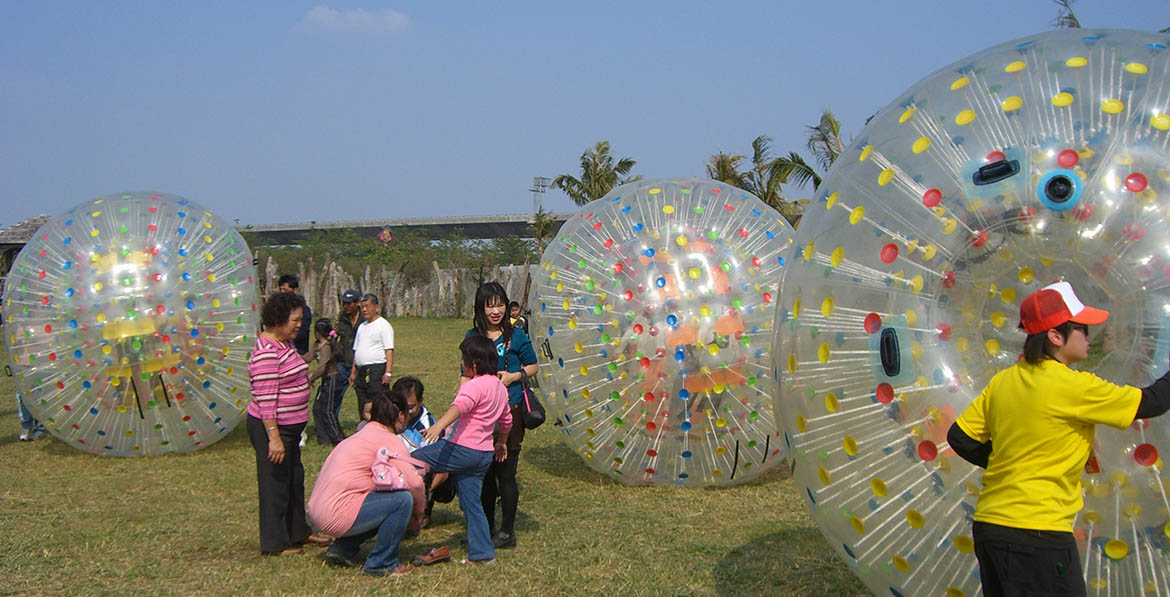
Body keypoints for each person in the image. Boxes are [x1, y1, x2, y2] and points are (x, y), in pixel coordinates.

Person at [948, 281, 1170, 597]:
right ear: (1055, 336)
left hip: (991, 529)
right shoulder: (1072, 386)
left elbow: (960, 438)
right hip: (1039, 533)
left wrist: (1012, 462)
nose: (1088, 337)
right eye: (1082, 328)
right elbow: (1153, 402)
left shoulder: (1004, 381)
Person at [410, 334, 512, 566]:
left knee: (409, 461)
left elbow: (459, 407)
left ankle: (408, 514)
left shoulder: (475, 385)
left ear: (473, 365)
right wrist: (501, 442)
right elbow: (506, 420)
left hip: (460, 449)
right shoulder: (499, 387)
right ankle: (483, 554)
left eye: (463, 360)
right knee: (471, 504)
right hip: (483, 456)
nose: (462, 365)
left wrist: (438, 426)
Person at [247, 291, 330, 555]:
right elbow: (266, 398)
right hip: (273, 428)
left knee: (294, 479)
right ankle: (275, 542)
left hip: (291, 429)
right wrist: (274, 437)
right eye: (294, 320)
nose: (299, 325)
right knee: (275, 484)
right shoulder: (267, 353)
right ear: (278, 319)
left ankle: (298, 531)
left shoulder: (285, 343)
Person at [308, 391, 425, 576]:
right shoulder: (387, 439)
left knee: (381, 501)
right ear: (400, 416)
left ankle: (342, 549)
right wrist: (419, 512)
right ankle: (382, 563)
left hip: (318, 510)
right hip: (337, 513)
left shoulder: (361, 434)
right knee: (402, 500)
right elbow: (414, 483)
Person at [466, 283, 538, 550]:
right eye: (490, 305)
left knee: (506, 473)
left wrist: (514, 377)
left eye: (500, 305)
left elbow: (534, 367)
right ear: (480, 307)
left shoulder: (517, 336)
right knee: (484, 473)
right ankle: (486, 527)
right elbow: (464, 372)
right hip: (479, 416)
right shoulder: (472, 336)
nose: (495, 311)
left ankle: (507, 532)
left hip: (512, 409)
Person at [392, 376, 450, 527]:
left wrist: (421, 493)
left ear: (421, 401)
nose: (406, 412)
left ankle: (423, 508)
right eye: (401, 406)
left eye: (411, 407)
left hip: (418, 474)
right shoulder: (389, 417)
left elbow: (440, 469)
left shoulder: (427, 426)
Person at [349, 294, 395, 426]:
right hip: (362, 370)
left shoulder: (383, 325)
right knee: (362, 401)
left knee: (377, 401)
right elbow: (356, 350)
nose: (364, 310)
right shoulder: (362, 326)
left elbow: (389, 350)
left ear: (376, 307)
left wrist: (388, 372)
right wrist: (353, 372)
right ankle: (364, 427)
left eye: (367, 306)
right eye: (362, 307)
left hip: (376, 369)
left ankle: (381, 425)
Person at [307, 318, 346, 446]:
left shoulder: (327, 347)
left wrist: (311, 379)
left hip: (332, 379)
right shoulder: (317, 345)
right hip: (325, 380)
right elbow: (308, 357)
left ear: (318, 332)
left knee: (327, 410)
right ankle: (323, 438)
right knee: (317, 409)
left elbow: (322, 367)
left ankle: (338, 439)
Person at [334, 289, 362, 421]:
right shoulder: (341, 319)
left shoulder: (364, 319)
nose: (346, 306)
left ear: (357, 303)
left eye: (349, 303)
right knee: (336, 396)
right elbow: (334, 337)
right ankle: (332, 426)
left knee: (363, 398)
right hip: (343, 363)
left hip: (360, 365)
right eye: (344, 303)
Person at [278, 274, 313, 358]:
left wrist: (284, 337)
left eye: (285, 289)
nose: (282, 292)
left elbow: (303, 332)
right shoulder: (279, 308)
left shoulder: (303, 309)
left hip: (298, 352)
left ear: (295, 290)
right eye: (281, 289)